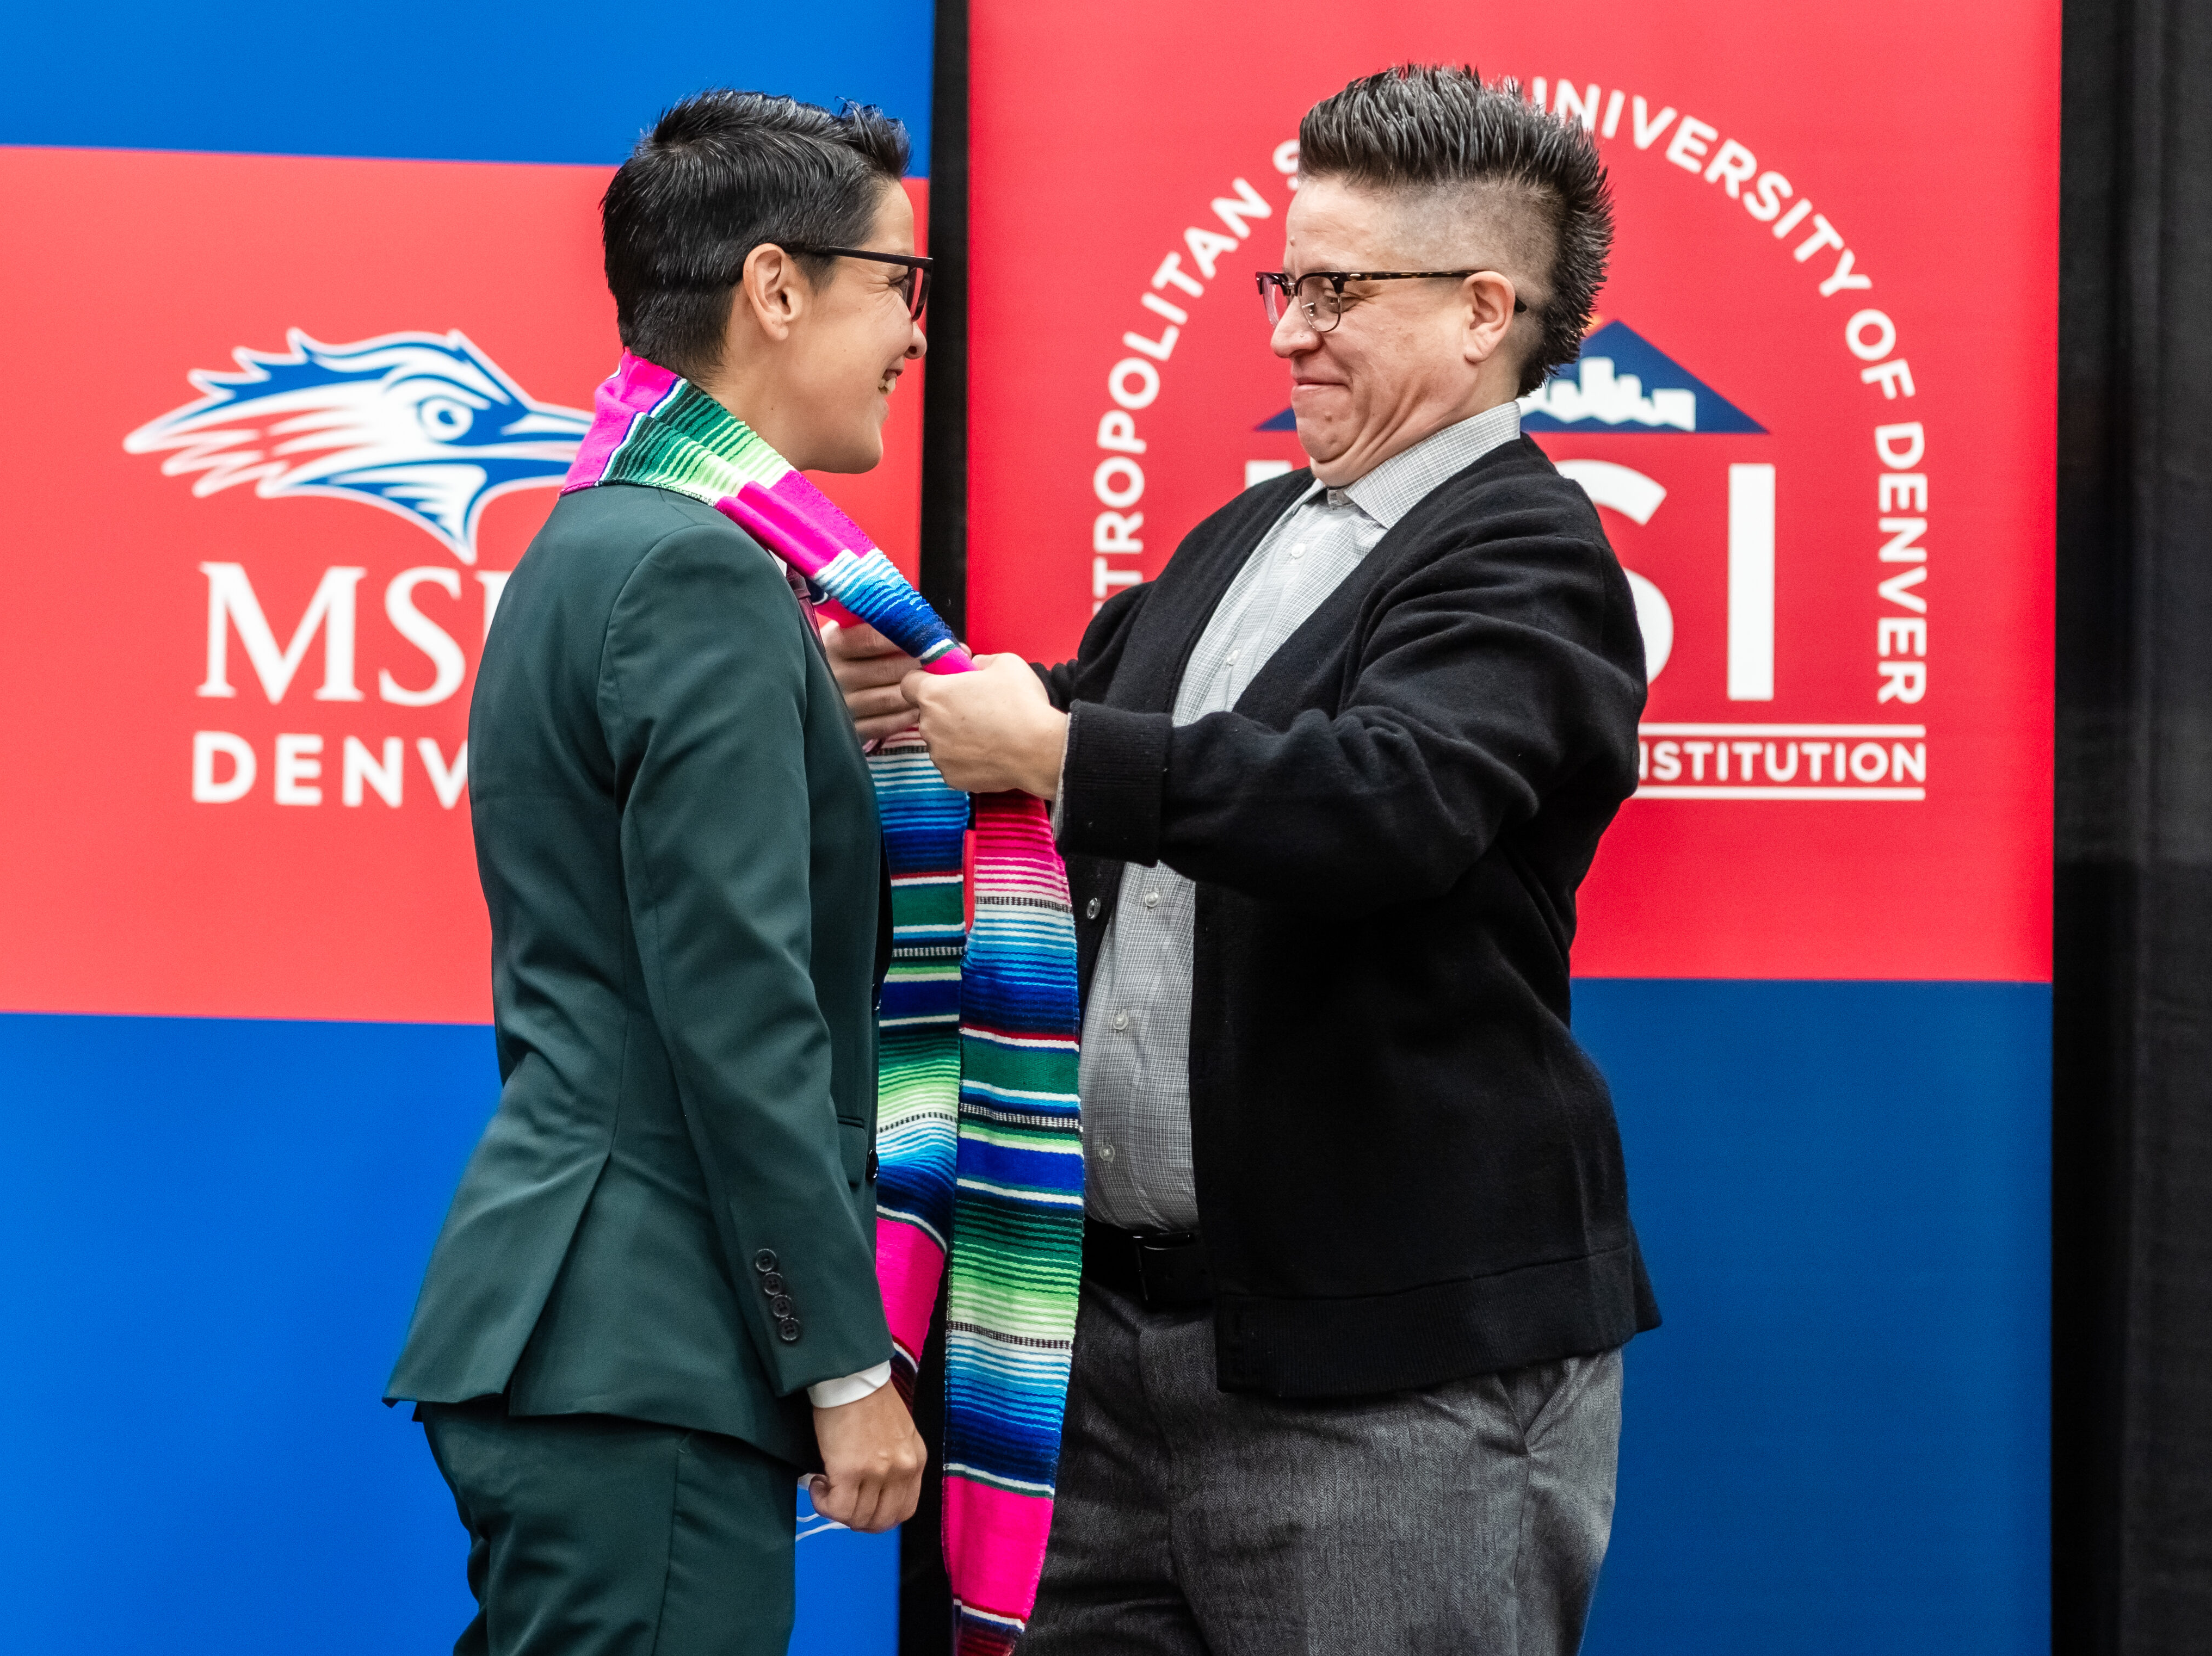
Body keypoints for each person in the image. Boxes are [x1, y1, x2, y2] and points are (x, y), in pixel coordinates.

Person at [835, 63, 1653, 1654]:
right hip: (1104, 1365)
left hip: (1385, 1383)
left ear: (1487, 310)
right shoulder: (1248, 532)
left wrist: (1062, 752)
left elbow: (1387, 801)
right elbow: (1101, 740)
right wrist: (922, 707)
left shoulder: (1532, 555)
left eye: (1336, 288)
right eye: (1286, 281)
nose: (1287, 327)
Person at [387, 88, 930, 1654]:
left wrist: (795, 715)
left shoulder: (607, 540)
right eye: (900, 284)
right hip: (643, 1351)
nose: (914, 333)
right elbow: (735, 1003)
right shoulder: (698, 569)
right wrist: (845, 1358)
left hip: (594, 1348)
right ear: (777, 288)